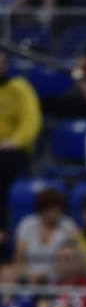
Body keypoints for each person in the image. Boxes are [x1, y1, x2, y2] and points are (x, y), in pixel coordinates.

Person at [0, 49, 42, 222]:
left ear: (6, 66)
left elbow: (31, 121)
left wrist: (14, 141)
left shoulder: (19, 87)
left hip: (12, 150)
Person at [13, 187, 78, 284]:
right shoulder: (27, 225)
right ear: (41, 209)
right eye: (49, 209)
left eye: (56, 209)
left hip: (58, 279)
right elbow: (19, 259)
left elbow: (74, 259)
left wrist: (45, 276)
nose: (53, 213)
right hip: (29, 278)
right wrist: (28, 276)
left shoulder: (68, 226)